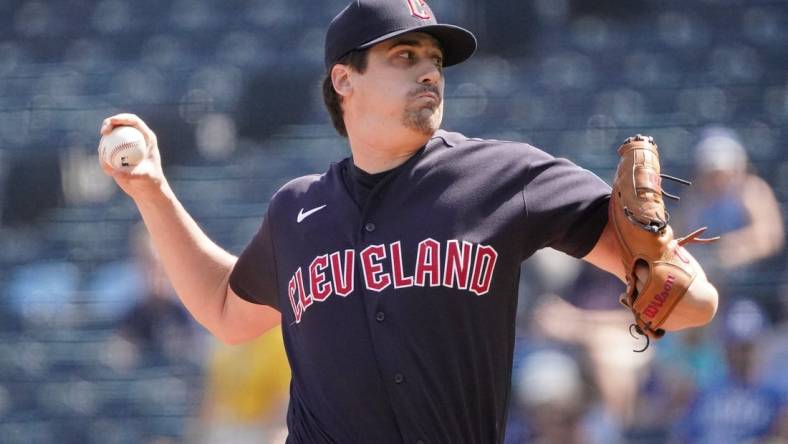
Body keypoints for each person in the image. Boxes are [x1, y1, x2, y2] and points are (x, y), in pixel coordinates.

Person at [98, 1, 718, 442]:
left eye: (435, 60)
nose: (429, 70)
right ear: (344, 79)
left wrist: (671, 282)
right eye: (404, 55)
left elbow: (693, 301)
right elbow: (226, 314)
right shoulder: (297, 210)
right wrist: (152, 192)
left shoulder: (506, 176)